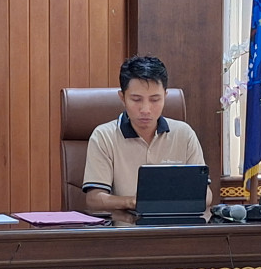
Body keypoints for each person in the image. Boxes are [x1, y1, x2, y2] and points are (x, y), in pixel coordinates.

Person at [82, 55, 211, 211]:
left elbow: (205, 194)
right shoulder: (104, 136)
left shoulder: (184, 134)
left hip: (175, 228)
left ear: (165, 96)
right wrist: (135, 202)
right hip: (125, 229)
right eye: (136, 99)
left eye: (155, 99)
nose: (145, 109)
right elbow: (94, 198)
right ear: (122, 98)